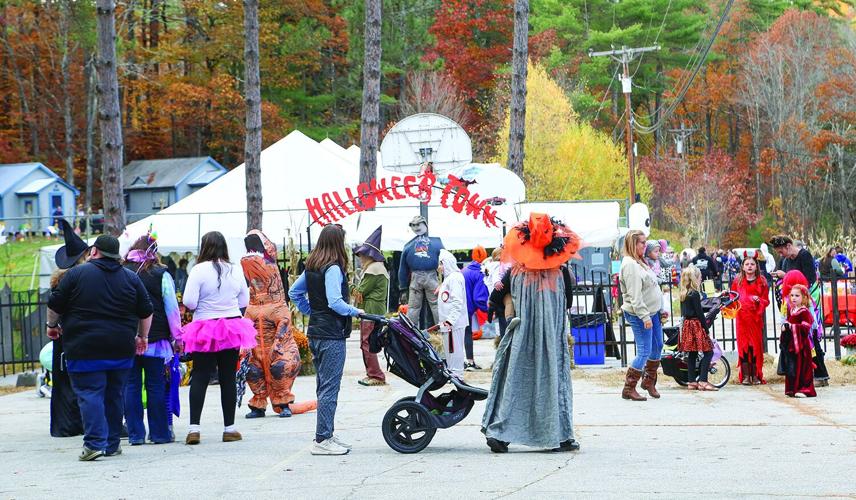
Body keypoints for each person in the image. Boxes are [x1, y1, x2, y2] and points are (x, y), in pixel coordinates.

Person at [47, 235, 154, 461]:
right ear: (116, 255)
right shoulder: (131, 278)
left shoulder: (75, 275)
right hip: (120, 348)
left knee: (89, 392)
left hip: (83, 347)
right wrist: (142, 337)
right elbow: (146, 311)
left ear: (94, 251)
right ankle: (112, 444)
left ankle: (94, 443)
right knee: (114, 394)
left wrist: (52, 326)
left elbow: (54, 304)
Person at [481, 213, 581, 453]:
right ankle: (557, 434)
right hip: (550, 341)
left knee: (515, 380)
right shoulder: (562, 273)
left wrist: (509, 304)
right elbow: (568, 302)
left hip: (522, 339)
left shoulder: (514, 272)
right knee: (552, 381)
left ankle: (501, 433)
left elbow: (493, 297)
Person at [289, 224, 364, 456]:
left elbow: (294, 293)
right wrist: (355, 312)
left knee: (323, 386)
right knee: (330, 388)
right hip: (331, 334)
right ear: (337, 243)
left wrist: (312, 311)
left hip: (316, 333)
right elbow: (335, 302)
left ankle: (326, 433)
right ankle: (322, 439)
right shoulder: (333, 268)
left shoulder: (312, 266)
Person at [182, 231, 256, 445]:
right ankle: (229, 428)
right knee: (227, 378)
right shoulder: (235, 269)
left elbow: (189, 301)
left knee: (200, 376)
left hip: (205, 326)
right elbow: (244, 298)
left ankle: (194, 428)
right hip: (232, 325)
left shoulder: (198, 270)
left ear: (204, 247)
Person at [123, 232, 184, 445]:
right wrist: (177, 337)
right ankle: (159, 433)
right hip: (156, 339)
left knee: (131, 386)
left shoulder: (121, 272)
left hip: (128, 339)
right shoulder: (161, 274)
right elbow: (171, 308)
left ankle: (135, 434)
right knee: (156, 384)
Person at [241, 230, 302, 418]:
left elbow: (284, 325)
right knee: (252, 371)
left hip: (277, 350)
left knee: (279, 368)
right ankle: (258, 403)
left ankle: (283, 402)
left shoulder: (278, 304)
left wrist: (277, 344)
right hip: (258, 351)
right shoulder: (251, 303)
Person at [48, 218, 89, 438]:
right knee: (78, 379)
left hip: (62, 335)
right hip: (75, 334)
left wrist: (52, 326)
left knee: (63, 380)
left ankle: (65, 424)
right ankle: (78, 422)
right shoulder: (78, 280)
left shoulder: (58, 282)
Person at [619, 230, 666, 401]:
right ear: (633, 244)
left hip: (653, 312)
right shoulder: (630, 265)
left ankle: (648, 381)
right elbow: (635, 296)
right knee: (644, 351)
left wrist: (661, 308)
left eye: (645, 242)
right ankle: (629, 388)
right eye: (642, 243)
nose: (645, 246)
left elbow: (652, 286)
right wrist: (645, 317)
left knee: (658, 345)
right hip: (640, 314)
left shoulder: (640, 261)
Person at [352, 226, 388, 387]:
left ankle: (376, 375)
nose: (360, 258)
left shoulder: (373, 269)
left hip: (370, 311)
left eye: (361, 255)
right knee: (369, 342)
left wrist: (349, 285)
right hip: (376, 310)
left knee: (367, 343)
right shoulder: (378, 267)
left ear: (369, 255)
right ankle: (373, 373)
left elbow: (360, 292)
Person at [398, 216, 444, 328]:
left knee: (414, 307)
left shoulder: (408, 246)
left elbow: (402, 269)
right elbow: (445, 261)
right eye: (414, 225)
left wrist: (403, 287)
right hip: (431, 277)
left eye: (417, 224)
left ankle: (410, 333)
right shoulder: (437, 243)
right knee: (436, 305)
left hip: (416, 277)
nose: (416, 227)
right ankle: (442, 330)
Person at [732, 253, 770, 385]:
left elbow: (766, 300)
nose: (749, 266)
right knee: (744, 347)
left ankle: (755, 375)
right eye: (747, 264)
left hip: (755, 319)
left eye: (752, 264)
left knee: (754, 347)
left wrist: (759, 300)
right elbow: (733, 297)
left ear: (756, 266)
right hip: (742, 319)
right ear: (742, 267)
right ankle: (746, 376)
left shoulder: (762, 281)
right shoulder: (737, 281)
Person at [678, 266, 716, 391]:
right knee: (708, 352)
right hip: (695, 324)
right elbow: (699, 313)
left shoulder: (684, 293)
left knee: (692, 354)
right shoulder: (695, 294)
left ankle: (691, 381)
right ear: (695, 279)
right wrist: (706, 328)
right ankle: (703, 381)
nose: (701, 279)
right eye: (699, 277)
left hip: (687, 325)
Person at [779, 285, 816, 398]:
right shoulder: (792, 310)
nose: (794, 298)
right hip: (792, 345)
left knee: (803, 367)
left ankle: (805, 389)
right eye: (792, 295)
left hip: (801, 346)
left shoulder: (804, 312)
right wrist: (784, 328)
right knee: (792, 367)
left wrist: (792, 327)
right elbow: (788, 323)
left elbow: (805, 328)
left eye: (797, 296)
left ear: (804, 297)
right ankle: (792, 389)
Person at [437, 249, 467, 377]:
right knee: (451, 354)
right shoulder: (450, 278)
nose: (439, 268)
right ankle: (453, 374)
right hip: (448, 324)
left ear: (446, 263)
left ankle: (457, 376)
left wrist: (451, 320)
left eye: (441, 264)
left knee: (455, 353)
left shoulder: (454, 278)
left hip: (453, 324)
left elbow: (457, 301)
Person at [462, 246, 489, 370]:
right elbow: (479, 298)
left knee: (459, 335)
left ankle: (461, 361)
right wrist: (488, 310)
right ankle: (470, 362)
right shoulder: (479, 273)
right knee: (467, 333)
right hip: (467, 308)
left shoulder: (463, 270)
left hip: (457, 306)